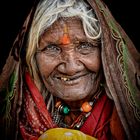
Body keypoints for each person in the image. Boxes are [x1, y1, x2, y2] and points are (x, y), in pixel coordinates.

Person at [0, 0, 140, 140]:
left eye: (85, 46)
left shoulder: (125, 118)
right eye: (52, 48)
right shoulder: (17, 114)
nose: (71, 68)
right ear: (32, 58)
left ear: (106, 53)